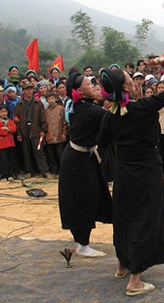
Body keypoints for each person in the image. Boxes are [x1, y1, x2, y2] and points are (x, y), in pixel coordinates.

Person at [98, 57, 164, 296]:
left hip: (123, 174)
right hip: (146, 173)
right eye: (129, 77)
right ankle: (135, 281)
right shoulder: (143, 108)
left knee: (124, 217)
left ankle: (123, 264)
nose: (134, 79)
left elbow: (102, 144)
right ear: (128, 88)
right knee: (145, 219)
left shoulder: (109, 116)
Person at [58, 72, 113, 258]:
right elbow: (113, 121)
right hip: (77, 161)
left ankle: (82, 240)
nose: (94, 87)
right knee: (82, 199)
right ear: (80, 90)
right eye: (90, 85)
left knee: (91, 195)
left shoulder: (80, 106)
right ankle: (82, 244)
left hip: (84, 157)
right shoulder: (88, 110)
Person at [13, 81, 50, 178]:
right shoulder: (19, 104)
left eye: (31, 89)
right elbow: (16, 118)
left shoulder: (38, 103)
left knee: (39, 151)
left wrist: (43, 130)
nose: (29, 91)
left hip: (36, 129)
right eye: (27, 89)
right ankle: (29, 171)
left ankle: (44, 170)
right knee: (26, 152)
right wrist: (18, 132)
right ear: (23, 91)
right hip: (24, 129)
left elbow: (43, 117)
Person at [44, 92, 68, 177]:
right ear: (46, 100)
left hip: (59, 135)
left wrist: (64, 133)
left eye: (52, 98)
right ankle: (54, 171)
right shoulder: (45, 111)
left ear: (55, 99)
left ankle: (62, 171)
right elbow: (44, 124)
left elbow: (64, 122)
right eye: (49, 99)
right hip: (49, 136)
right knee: (51, 156)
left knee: (60, 154)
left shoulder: (61, 109)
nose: (51, 100)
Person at [0, 104, 17, 181]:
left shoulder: (10, 121)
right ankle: (4, 175)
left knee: (11, 159)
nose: (4, 113)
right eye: (1, 112)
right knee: (3, 160)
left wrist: (6, 128)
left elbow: (14, 129)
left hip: (10, 143)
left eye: (5, 111)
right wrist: (8, 130)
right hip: (2, 144)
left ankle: (10, 174)